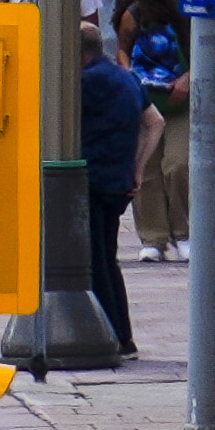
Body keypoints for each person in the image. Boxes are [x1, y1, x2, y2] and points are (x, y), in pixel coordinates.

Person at [79, 19, 164, 347]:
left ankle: (112, 336)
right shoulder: (126, 76)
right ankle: (122, 335)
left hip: (91, 178)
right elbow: (155, 122)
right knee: (107, 259)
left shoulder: (85, 82)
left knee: (94, 262)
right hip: (119, 181)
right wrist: (138, 168)